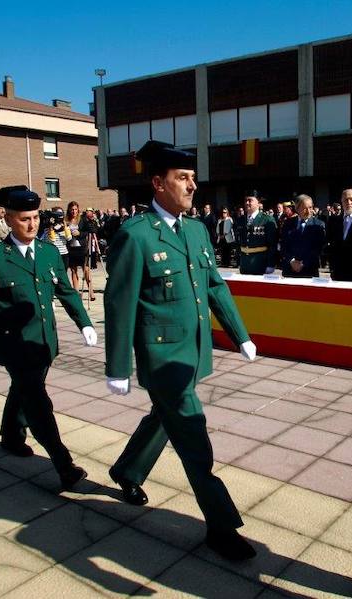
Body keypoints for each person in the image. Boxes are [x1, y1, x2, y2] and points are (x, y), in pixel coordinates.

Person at [104, 140, 259, 561]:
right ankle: (221, 527)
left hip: (193, 353)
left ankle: (128, 469)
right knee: (193, 436)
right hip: (163, 359)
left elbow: (214, 286)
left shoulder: (196, 230)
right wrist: (117, 367)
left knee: (164, 416)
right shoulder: (135, 235)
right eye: (183, 178)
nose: (192, 186)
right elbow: (120, 304)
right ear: (159, 183)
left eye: (193, 178)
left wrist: (240, 334)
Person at [0, 185, 96, 491]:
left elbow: (66, 291)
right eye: (25, 219)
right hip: (15, 346)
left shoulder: (48, 252)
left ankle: (11, 436)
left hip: (44, 342)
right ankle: (64, 465)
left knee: (23, 390)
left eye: (36, 217)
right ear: (9, 219)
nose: (32, 224)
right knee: (38, 403)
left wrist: (85, 323)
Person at [280, 194, 325, 278]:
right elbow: (283, 245)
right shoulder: (287, 223)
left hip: (309, 270)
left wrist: (303, 263)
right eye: (305, 208)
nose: (308, 211)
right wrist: (291, 261)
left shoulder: (319, 225)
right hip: (289, 270)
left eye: (310, 207)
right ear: (297, 208)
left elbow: (318, 248)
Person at [237, 191, 277, 275]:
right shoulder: (241, 220)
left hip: (260, 264)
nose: (247, 203)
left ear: (258, 203)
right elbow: (238, 243)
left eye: (250, 200)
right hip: (244, 264)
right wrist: (239, 262)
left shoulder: (267, 220)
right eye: (246, 200)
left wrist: (271, 264)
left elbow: (272, 244)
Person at [64, 201, 94, 300]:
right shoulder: (66, 220)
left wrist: (79, 233)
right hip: (71, 248)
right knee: (73, 270)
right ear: (69, 210)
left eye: (75, 209)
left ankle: (91, 291)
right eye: (72, 209)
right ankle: (76, 293)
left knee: (86, 269)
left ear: (78, 210)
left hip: (81, 248)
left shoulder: (82, 219)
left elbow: (88, 231)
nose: (74, 211)